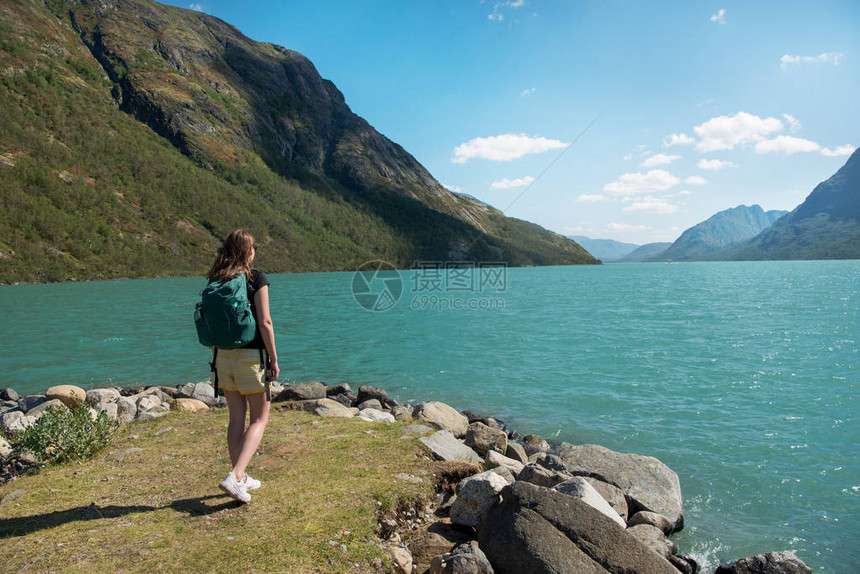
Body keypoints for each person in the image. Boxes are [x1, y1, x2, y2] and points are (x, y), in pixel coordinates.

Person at [206, 229, 279, 503]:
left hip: (223, 357)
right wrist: (273, 357)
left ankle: (242, 477)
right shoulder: (256, 278)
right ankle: (236, 476)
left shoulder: (217, 279)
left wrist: (216, 359)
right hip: (252, 358)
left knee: (236, 419)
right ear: (250, 251)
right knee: (259, 418)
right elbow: (265, 322)